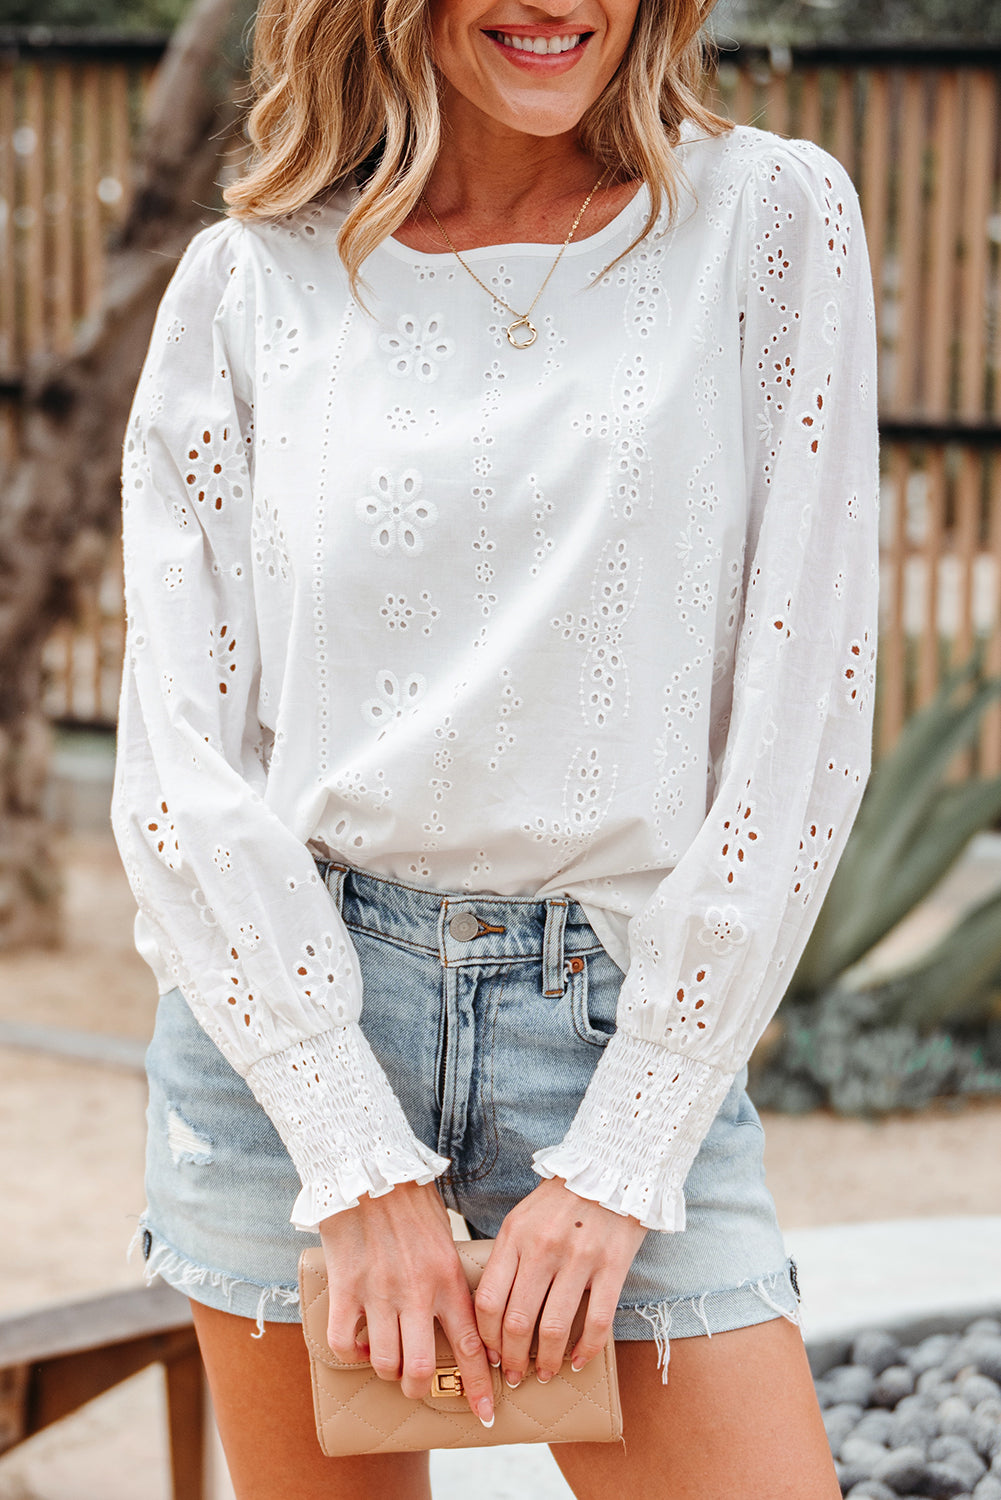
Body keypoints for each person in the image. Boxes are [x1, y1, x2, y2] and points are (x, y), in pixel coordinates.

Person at [111, 0, 879, 1495]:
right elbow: (179, 753)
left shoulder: (767, 222)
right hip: (289, 1037)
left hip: (613, 1014)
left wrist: (626, 1151)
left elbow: (805, 720)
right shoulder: (249, 280)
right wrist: (351, 1160)